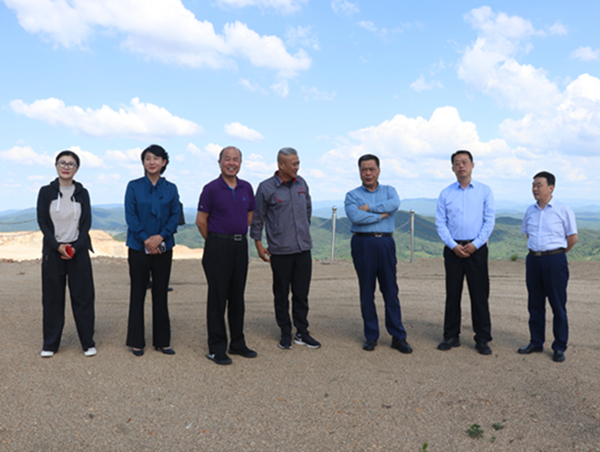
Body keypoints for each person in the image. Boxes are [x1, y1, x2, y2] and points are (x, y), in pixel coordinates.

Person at [250, 147, 321, 350]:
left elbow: (307, 210)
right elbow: (258, 217)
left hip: (303, 248)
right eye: (294, 164)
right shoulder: (266, 187)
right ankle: (285, 332)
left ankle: (302, 332)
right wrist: (258, 243)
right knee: (281, 294)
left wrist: (302, 231)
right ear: (281, 165)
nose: (297, 167)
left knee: (301, 294)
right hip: (280, 250)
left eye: (298, 163)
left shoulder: (302, 184)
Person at [344, 154, 413, 354]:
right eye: (364, 169)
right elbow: (355, 216)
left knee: (390, 289)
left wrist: (369, 208)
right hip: (362, 242)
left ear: (379, 170)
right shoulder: (352, 195)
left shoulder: (389, 191)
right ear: (359, 172)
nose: (368, 173)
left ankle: (398, 337)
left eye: (371, 169)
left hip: (385, 242)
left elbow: (394, 205)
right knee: (367, 290)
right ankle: (371, 336)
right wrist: (381, 215)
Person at [196, 146, 257, 365]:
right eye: (227, 159)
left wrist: (233, 236)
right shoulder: (211, 188)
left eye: (236, 159)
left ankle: (237, 343)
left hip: (240, 246)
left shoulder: (246, 187)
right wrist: (216, 241)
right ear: (220, 162)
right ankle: (216, 348)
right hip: (217, 246)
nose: (232, 163)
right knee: (218, 298)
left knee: (237, 297)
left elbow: (249, 216)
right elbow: (201, 221)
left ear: (240, 163)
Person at [36, 150, 96, 358]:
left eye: (71, 164)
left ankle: (87, 342)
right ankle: (50, 344)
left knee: (83, 298)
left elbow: (86, 222)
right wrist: (56, 245)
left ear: (77, 169)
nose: (66, 167)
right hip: (53, 252)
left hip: (78, 251)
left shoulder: (82, 192)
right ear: (56, 166)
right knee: (52, 299)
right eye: (62, 163)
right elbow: (42, 221)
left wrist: (76, 247)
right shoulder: (46, 192)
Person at [435, 150, 495, 355]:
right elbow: (441, 223)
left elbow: (489, 221)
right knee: (452, 294)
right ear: (452, 168)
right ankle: (451, 336)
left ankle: (483, 338)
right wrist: (453, 246)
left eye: (464, 162)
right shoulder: (445, 193)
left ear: (472, 165)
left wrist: (476, 244)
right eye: (457, 163)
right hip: (453, 249)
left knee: (479, 296)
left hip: (476, 249)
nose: (461, 166)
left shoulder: (484, 191)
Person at [125, 144, 181, 357]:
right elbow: (131, 216)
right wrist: (146, 239)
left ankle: (162, 341)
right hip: (138, 247)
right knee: (137, 293)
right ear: (143, 162)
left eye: (156, 158)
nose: (152, 162)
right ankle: (136, 341)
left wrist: (160, 237)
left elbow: (175, 216)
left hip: (164, 247)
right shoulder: (133, 186)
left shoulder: (171, 188)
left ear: (164, 162)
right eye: (148, 158)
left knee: (160, 293)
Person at [518, 171, 577, 363]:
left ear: (551, 188)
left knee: (557, 305)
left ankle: (559, 346)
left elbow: (572, 238)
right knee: (535, 304)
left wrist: (556, 255)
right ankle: (536, 342)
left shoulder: (563, 209)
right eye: (533, 185)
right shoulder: (530, 211)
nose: (535, 188)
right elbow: (528, 234)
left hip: (554, 260)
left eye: (539, 185)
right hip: (533, 260)